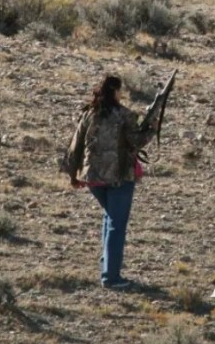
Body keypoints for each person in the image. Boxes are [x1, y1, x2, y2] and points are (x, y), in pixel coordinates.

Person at [61, 75, 157, 289]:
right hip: (119, 177)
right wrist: (152, 127)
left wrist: (73, 176)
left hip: (93, 179)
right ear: (116, 91)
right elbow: (138, 141)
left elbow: (74, 146)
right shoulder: (124, 116)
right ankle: (111, 278)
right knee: (116, 224)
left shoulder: (88, 114)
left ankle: (107, 270)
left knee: (110, 219)